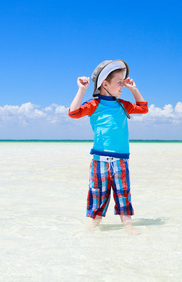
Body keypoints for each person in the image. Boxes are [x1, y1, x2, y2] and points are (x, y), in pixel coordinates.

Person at [68, 60, 148, 235]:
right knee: (98, 193)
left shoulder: (122, 104)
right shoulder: (94, 104)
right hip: (99, 160)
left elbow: (143, 109)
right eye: (119, 82)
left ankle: (128, 226)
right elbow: (73, 113)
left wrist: (134, 89)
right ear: (105, 84)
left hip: (121, 160)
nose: (123, 85)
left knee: (123, 193)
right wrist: (82, 90)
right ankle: (94, 226)